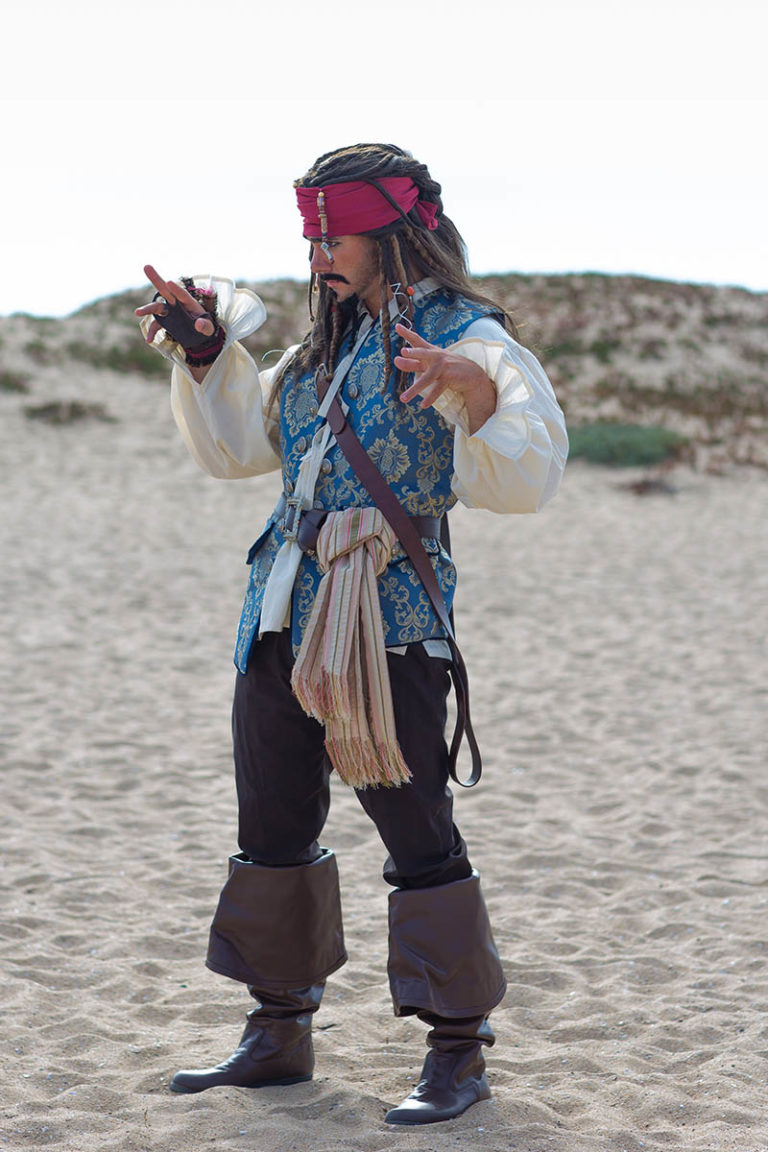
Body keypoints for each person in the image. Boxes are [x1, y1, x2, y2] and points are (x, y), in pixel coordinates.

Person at [136, 142, 567, 1126]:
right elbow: (243, 448)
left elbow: (526, 477)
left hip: (390, 623)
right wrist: (204, 351)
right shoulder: (319, 347)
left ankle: (457, 1049)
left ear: (396, 231)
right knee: (271, 829)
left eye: (337, 236)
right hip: (280, 611)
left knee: (417, 833)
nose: (318, 253)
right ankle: (278, 1032)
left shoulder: (470, 335)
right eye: (312, 237)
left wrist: (474, 391)